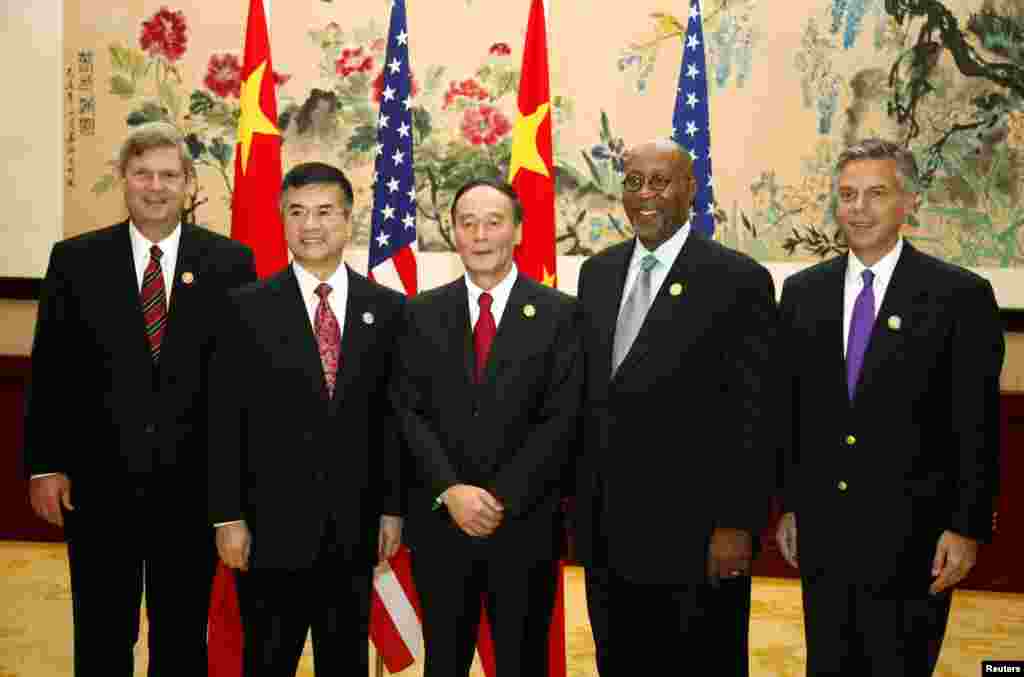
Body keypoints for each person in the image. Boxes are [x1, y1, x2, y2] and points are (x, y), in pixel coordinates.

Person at [23, 121, 257, 675]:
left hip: (192, 491)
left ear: (189, 183)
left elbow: (241, 385)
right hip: (99, 489)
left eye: (169, 175)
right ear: (123, 180)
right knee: (103, 635)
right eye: (143, 174)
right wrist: (44, 465)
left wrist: (238, 492)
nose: (155, 187)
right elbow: (50, 368)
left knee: (180, 639)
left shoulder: (231, 263)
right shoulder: (75, 260)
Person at [775, 138, 1004, 676]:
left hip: (916, 539)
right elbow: (793, 412)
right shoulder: (805, 293)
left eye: (876, 193)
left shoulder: (958, 295)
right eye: (848, 195)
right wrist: (789, 504)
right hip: (825, 533)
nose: (859, 208)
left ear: (909, 202)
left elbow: (976, 423)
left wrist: (965, 526)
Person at [573, 139, 777, 676]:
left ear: (690, 189)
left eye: (660, 182)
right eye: (634, 181)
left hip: (697, 537)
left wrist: (737, 524)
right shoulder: (595, 275)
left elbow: (755, 414)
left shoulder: (738, 280)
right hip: (609, 532)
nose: (646, 195)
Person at [207, 161, 405, 676]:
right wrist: (228, 517)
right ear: (282, 219)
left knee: (345, 663)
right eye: (297, 212)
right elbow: (224, 419)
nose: (310, 225)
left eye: (324, 212)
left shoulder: (387, 310)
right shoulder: (243, 308)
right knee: (268, 661)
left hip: (354, 530)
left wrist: (391, 508)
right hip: (269, 533)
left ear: (347, 220)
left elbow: (392, 419)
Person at [390, 179, 582, 676]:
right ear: (453, 232)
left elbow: (560, 420)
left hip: (523, 527)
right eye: (467, 223)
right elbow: (408, 412)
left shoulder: (561, 315)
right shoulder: (419, 313)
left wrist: (498, 498)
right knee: (444, 662)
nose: (480, 235)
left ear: (517, 230)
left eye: (494, 222)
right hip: (441, 526)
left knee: (522, 662)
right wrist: (451, 490)